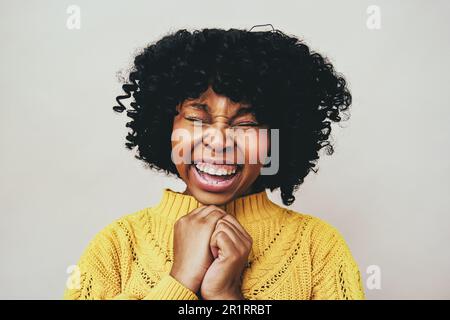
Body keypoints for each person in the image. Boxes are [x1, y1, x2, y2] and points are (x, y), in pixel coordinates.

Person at [63, 26, 365, 300]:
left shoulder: (319, 248)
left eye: (246, 124)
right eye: (196, 119)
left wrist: (226, 297)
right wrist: (179, 280)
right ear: (165, 127)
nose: (219, 141)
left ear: (277, 138)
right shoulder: (116, 245)